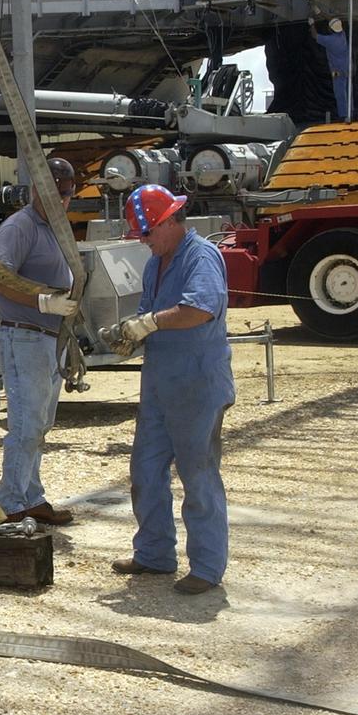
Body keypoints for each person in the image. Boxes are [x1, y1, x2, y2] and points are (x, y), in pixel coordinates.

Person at [109, 184, 234, 595]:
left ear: (166, 222)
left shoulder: (201, 257)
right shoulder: (156, 264)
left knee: (198, 475)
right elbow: (152, 314)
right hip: (162, 384)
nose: (143, 242)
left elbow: (199, 309)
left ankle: (207, 566)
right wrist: (132, 333)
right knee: (145, 470)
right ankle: (154, 553)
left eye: (146, 234)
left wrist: (150, 323)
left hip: (197, 384)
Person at [0, 157, 80, 526]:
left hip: (46, 337)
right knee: (26, 423)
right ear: (37, 191)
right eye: (57, 193)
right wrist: (43, 301)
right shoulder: (20, 227)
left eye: (68, 194)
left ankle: (30, 495)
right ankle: (10, 502)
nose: (63, 200)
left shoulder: (55, 228)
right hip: (23, 334)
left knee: (39, 423)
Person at [310, 16, 351, 122]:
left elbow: (315, 36)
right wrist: (319, 12)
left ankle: (344, 116)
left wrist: (312, 24)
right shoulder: (343, 36)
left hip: (337, 72)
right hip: (346, 69)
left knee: (340, 94)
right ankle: (351, 113)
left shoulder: (330, 40)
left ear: (331, 29)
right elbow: (332, 23)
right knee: (348, 92)